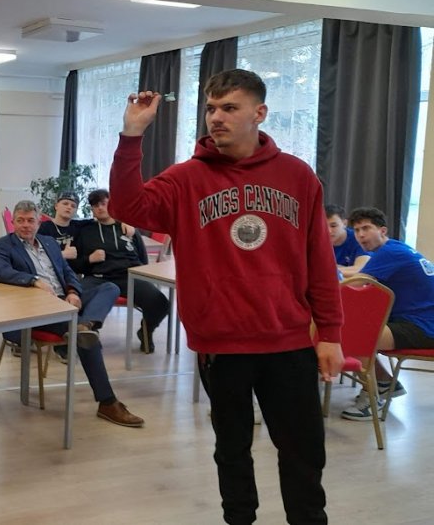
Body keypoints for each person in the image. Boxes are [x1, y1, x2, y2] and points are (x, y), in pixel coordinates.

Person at [109, 69, 343, 525]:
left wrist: (331, 333)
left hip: (288, 340)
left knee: (303, 451)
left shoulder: (297, 176)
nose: (216, 117)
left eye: (229, 108)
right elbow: (126, 207)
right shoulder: (185, 179)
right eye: (211, 109)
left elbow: (319, 260)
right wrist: (132, 134)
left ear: (260, 113)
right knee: (232, 450)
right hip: (222, 344)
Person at [0, 200, 143, 426]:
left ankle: (86, 324)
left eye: (30, 220)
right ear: (13, 222)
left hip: (65, 301)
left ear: (39, 222)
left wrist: (73, 291)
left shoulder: (49, 242)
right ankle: (107, 402)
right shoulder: (4, 245)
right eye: (20, 220)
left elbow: (68, 272)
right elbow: (0, 271)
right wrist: (34, 280)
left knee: (110, 288)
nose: (25, 225)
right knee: (86, 339)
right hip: (38, 309)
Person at [339, 207, 434, 421]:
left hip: (426, 327)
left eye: (366, 228)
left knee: (353, 335)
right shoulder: (395, 249)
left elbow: (354, 284)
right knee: (355, 326)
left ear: (382, 231)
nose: (361, 235)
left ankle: (372, 398)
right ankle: (384, 383)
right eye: (357, 230)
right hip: (415, 321)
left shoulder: (389, 253)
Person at [71, 188, 169, 353]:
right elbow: (75, 265)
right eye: (95, 205)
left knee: (160, 302)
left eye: (103, 203)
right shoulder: (85, 231)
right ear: (92, 209)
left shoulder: (128, 229)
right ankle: (83, 336)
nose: (100, 208)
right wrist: (89, 259)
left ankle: (146, 331)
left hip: (129, 277)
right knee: (73, 300)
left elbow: (143, 259)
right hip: (98, 277)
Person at [37, 192, 92, 263]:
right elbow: (37, 256)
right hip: (50, 268)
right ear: (56, 206)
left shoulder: (78, 226)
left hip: (73, 269)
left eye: (73, 206)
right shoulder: (43, 228)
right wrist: (62, 254)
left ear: (76, 210)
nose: (69, 207)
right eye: (65, 204)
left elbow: (97, 220)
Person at [325, 204, 370, 277]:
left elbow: (362, 270)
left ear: (345, 223)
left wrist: (327, 270)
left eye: (333, 226)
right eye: (323, 226)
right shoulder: (316, 241)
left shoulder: (358, 238)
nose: (329, 231)